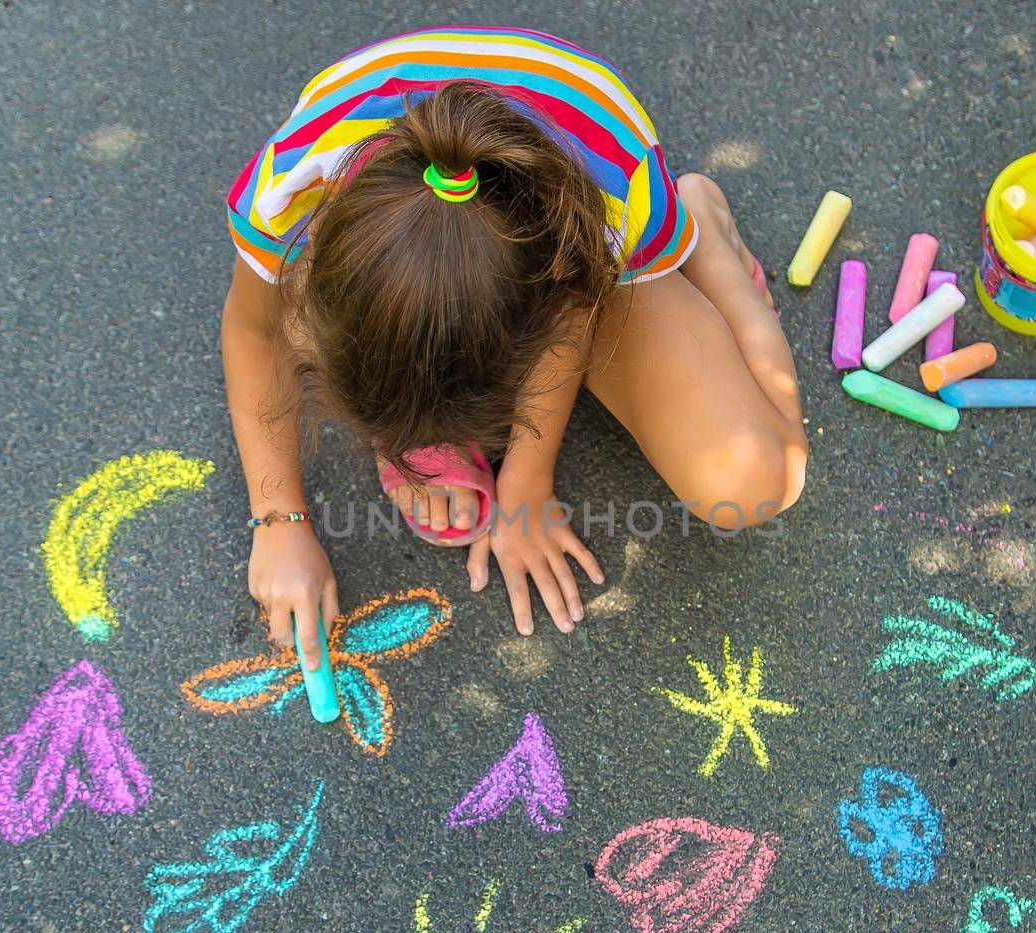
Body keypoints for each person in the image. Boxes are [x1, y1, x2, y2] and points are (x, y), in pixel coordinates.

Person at [221, 26, 808, 671]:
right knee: (287, 307)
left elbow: (569, 323)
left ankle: (709, 239)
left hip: (593, 217)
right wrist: (278, 519)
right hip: (410, 225)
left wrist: (526, 481)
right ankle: (425, 407)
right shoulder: (290, 186)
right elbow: (256, 330)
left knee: (752, 483)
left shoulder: (611, 192)